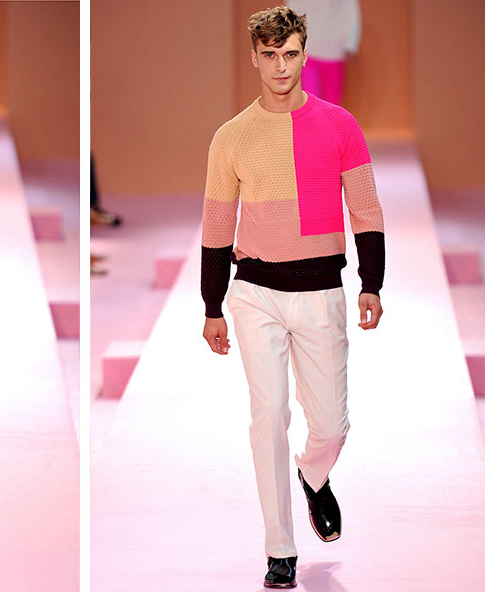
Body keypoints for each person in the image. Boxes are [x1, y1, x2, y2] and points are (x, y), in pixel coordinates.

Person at [200, 6, 384, 589]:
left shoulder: (341, 125)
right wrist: (211, 305)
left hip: (321, 290)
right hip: (254, 293)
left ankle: (314, 473)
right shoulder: (230, 137)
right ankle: (280, 549)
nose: (281, 66)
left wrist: (371, 282)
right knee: (269, 415)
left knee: (330, 425)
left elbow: (365, 209)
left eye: (290, 54)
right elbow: (216, 226)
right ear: (254, 58)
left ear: (305, 54)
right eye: (270, 55)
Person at [286, 0, 361, 105]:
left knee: (332, 99)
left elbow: (351, 14)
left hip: (334, 52)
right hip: (308, 50)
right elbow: (291, 14)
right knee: (310, 97)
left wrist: (350, 44)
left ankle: (329, 117)